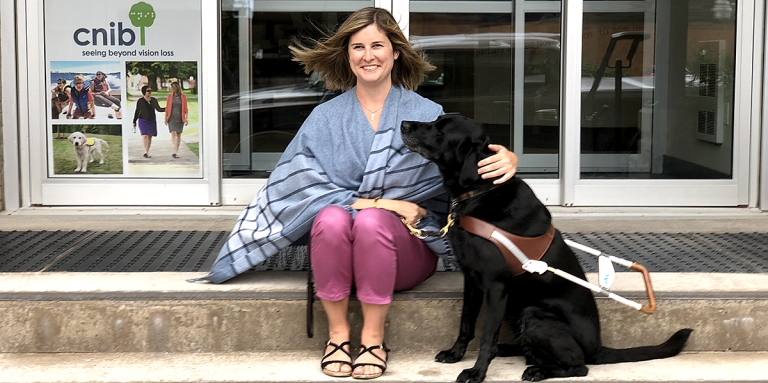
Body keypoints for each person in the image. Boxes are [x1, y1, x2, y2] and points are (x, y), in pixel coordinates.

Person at [188, 7, 518, 380]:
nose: (368, 55)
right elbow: (299, 186)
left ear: (396, 52)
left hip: (405, 252)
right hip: (339, 253)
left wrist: (506, 157)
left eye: (378, 45)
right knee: (330, 216)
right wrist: (383, 203)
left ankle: (374, 339)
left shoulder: (427, 112)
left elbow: (468, 165)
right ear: (347, 55)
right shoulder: (325, 117)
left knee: (371, 222)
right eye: (358, 46)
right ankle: (339, 336)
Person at [132, 85, 165, 158]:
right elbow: (137, 111)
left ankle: (147, 151)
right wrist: (134, 121)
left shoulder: (153, 100)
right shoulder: (140, 101)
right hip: (143, 120)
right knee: (144, 135)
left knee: (150, 136)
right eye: (148, 91)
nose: (150, 92)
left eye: (150, 91)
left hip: (151, 120)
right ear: (144, 92)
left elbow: (159, 109)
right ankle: (145, 152)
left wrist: (168, 108)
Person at [164, 81, 188, 158]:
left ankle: (176, 151)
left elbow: (186, 109)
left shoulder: (183, 97)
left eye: (172, 88)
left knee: (178, 134)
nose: (171, 89)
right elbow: (167, 108)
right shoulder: (170, 97)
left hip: (180, 118)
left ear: (176, 88)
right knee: (173, 133)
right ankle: (174, 150)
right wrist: (165, 118)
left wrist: (186, 118)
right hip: (171, 118)